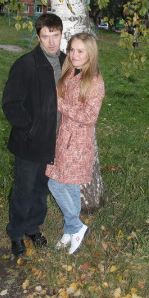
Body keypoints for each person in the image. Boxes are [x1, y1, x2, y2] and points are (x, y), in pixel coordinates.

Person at [2, 12, 65, 258]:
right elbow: (11, 104)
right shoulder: (25, 65)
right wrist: (30, 129)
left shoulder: (67, 63)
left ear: (61, 34)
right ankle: (17, 234)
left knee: (41, 190)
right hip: (28, 144)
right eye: (45, 36)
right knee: (24, 190)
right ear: (38, 37)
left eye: (55, 35)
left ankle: (33, 228)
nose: (51, 42)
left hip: (54, 142)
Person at [46, 32, 105, 255]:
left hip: (78, 143)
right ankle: (71, 231)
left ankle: (76, 226)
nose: (74, 54)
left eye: (80, 51)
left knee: (55, 184)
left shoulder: (94, 80)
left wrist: (60, 104)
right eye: (72, 50)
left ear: (90, 53)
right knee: (68, 186)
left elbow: (90, 116)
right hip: (64, 137)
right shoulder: (71, 71)